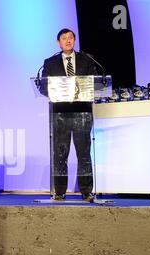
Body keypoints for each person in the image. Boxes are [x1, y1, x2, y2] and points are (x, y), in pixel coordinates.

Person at [40, 28, 98, 202]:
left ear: (74, 40)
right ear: (58, 42)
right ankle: (59, 191)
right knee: (60, 154)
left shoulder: (87, 59)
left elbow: (95, 82)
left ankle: (87, 192)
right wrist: (56, 91)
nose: (67, 41)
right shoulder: (50, 62)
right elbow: (43, 87)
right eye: (64, 38)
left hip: (82, 112)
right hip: (60, 113)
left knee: (84, 153)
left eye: (71, 38)